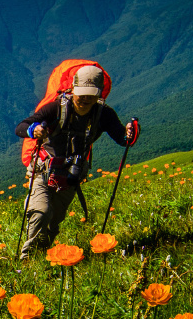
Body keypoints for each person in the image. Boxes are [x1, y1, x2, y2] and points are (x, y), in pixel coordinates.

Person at [14, 65, 137, 257]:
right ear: (73, 89)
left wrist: (130, 133)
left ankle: (43, 254)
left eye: (91, 94)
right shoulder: (56, 108)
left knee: (54, 220)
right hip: (43, 170)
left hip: (71, 176)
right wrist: (34, 130)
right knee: (40, 211)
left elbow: (122, 139)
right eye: (82, 94)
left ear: (99, 94)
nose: (86, 99)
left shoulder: (104, 114)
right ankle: (28, 258)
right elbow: (21, 126)